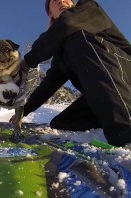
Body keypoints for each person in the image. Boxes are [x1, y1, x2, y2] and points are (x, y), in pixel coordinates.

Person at [14, 0, 131, 147]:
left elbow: (67, 23)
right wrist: (25, 110)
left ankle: (126, 131)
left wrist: (27, 63)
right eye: (56, 1)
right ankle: (112, 119)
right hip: (111, 93)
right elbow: (50, 83)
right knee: (62, 123)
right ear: (50, 13)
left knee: (77, 37)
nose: (62, 2)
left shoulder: (89, 8)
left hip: (126, 76)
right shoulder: (63, 51)